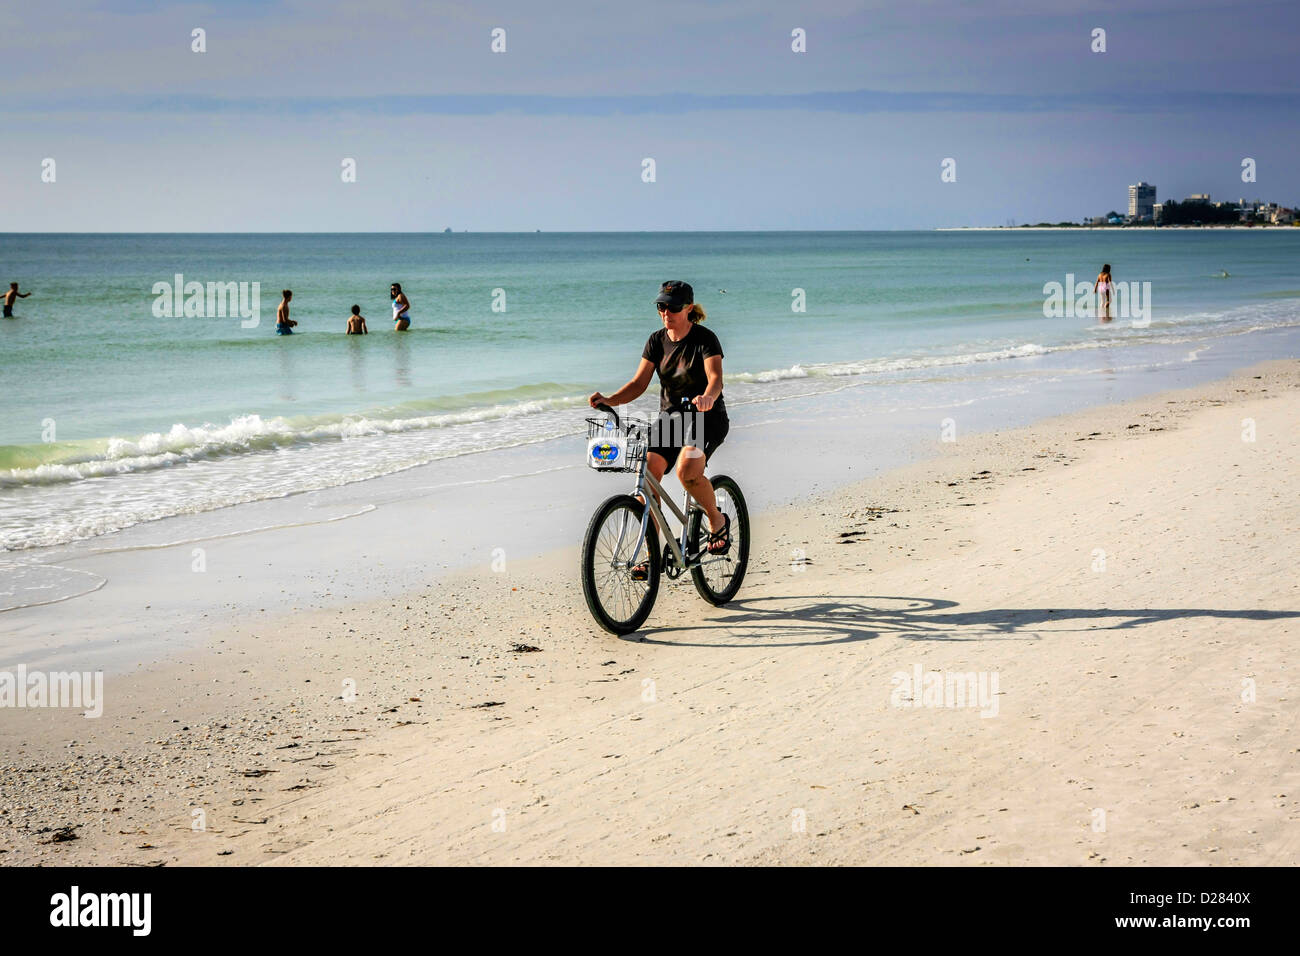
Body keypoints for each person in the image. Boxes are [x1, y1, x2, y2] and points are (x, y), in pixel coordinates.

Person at [588, 280, 731, 560]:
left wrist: (708, 397)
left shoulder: (705, 339)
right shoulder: (656, 341)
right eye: (661, 306)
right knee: (647, 480)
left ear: (688, 309)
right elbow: (638, 383)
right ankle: (650, 555)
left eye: (673, 307)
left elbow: (715, 378)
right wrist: (610, 400)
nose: (666, 312)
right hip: (672, 420)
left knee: (686, 472)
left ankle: (716, 521)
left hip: (707, 417)